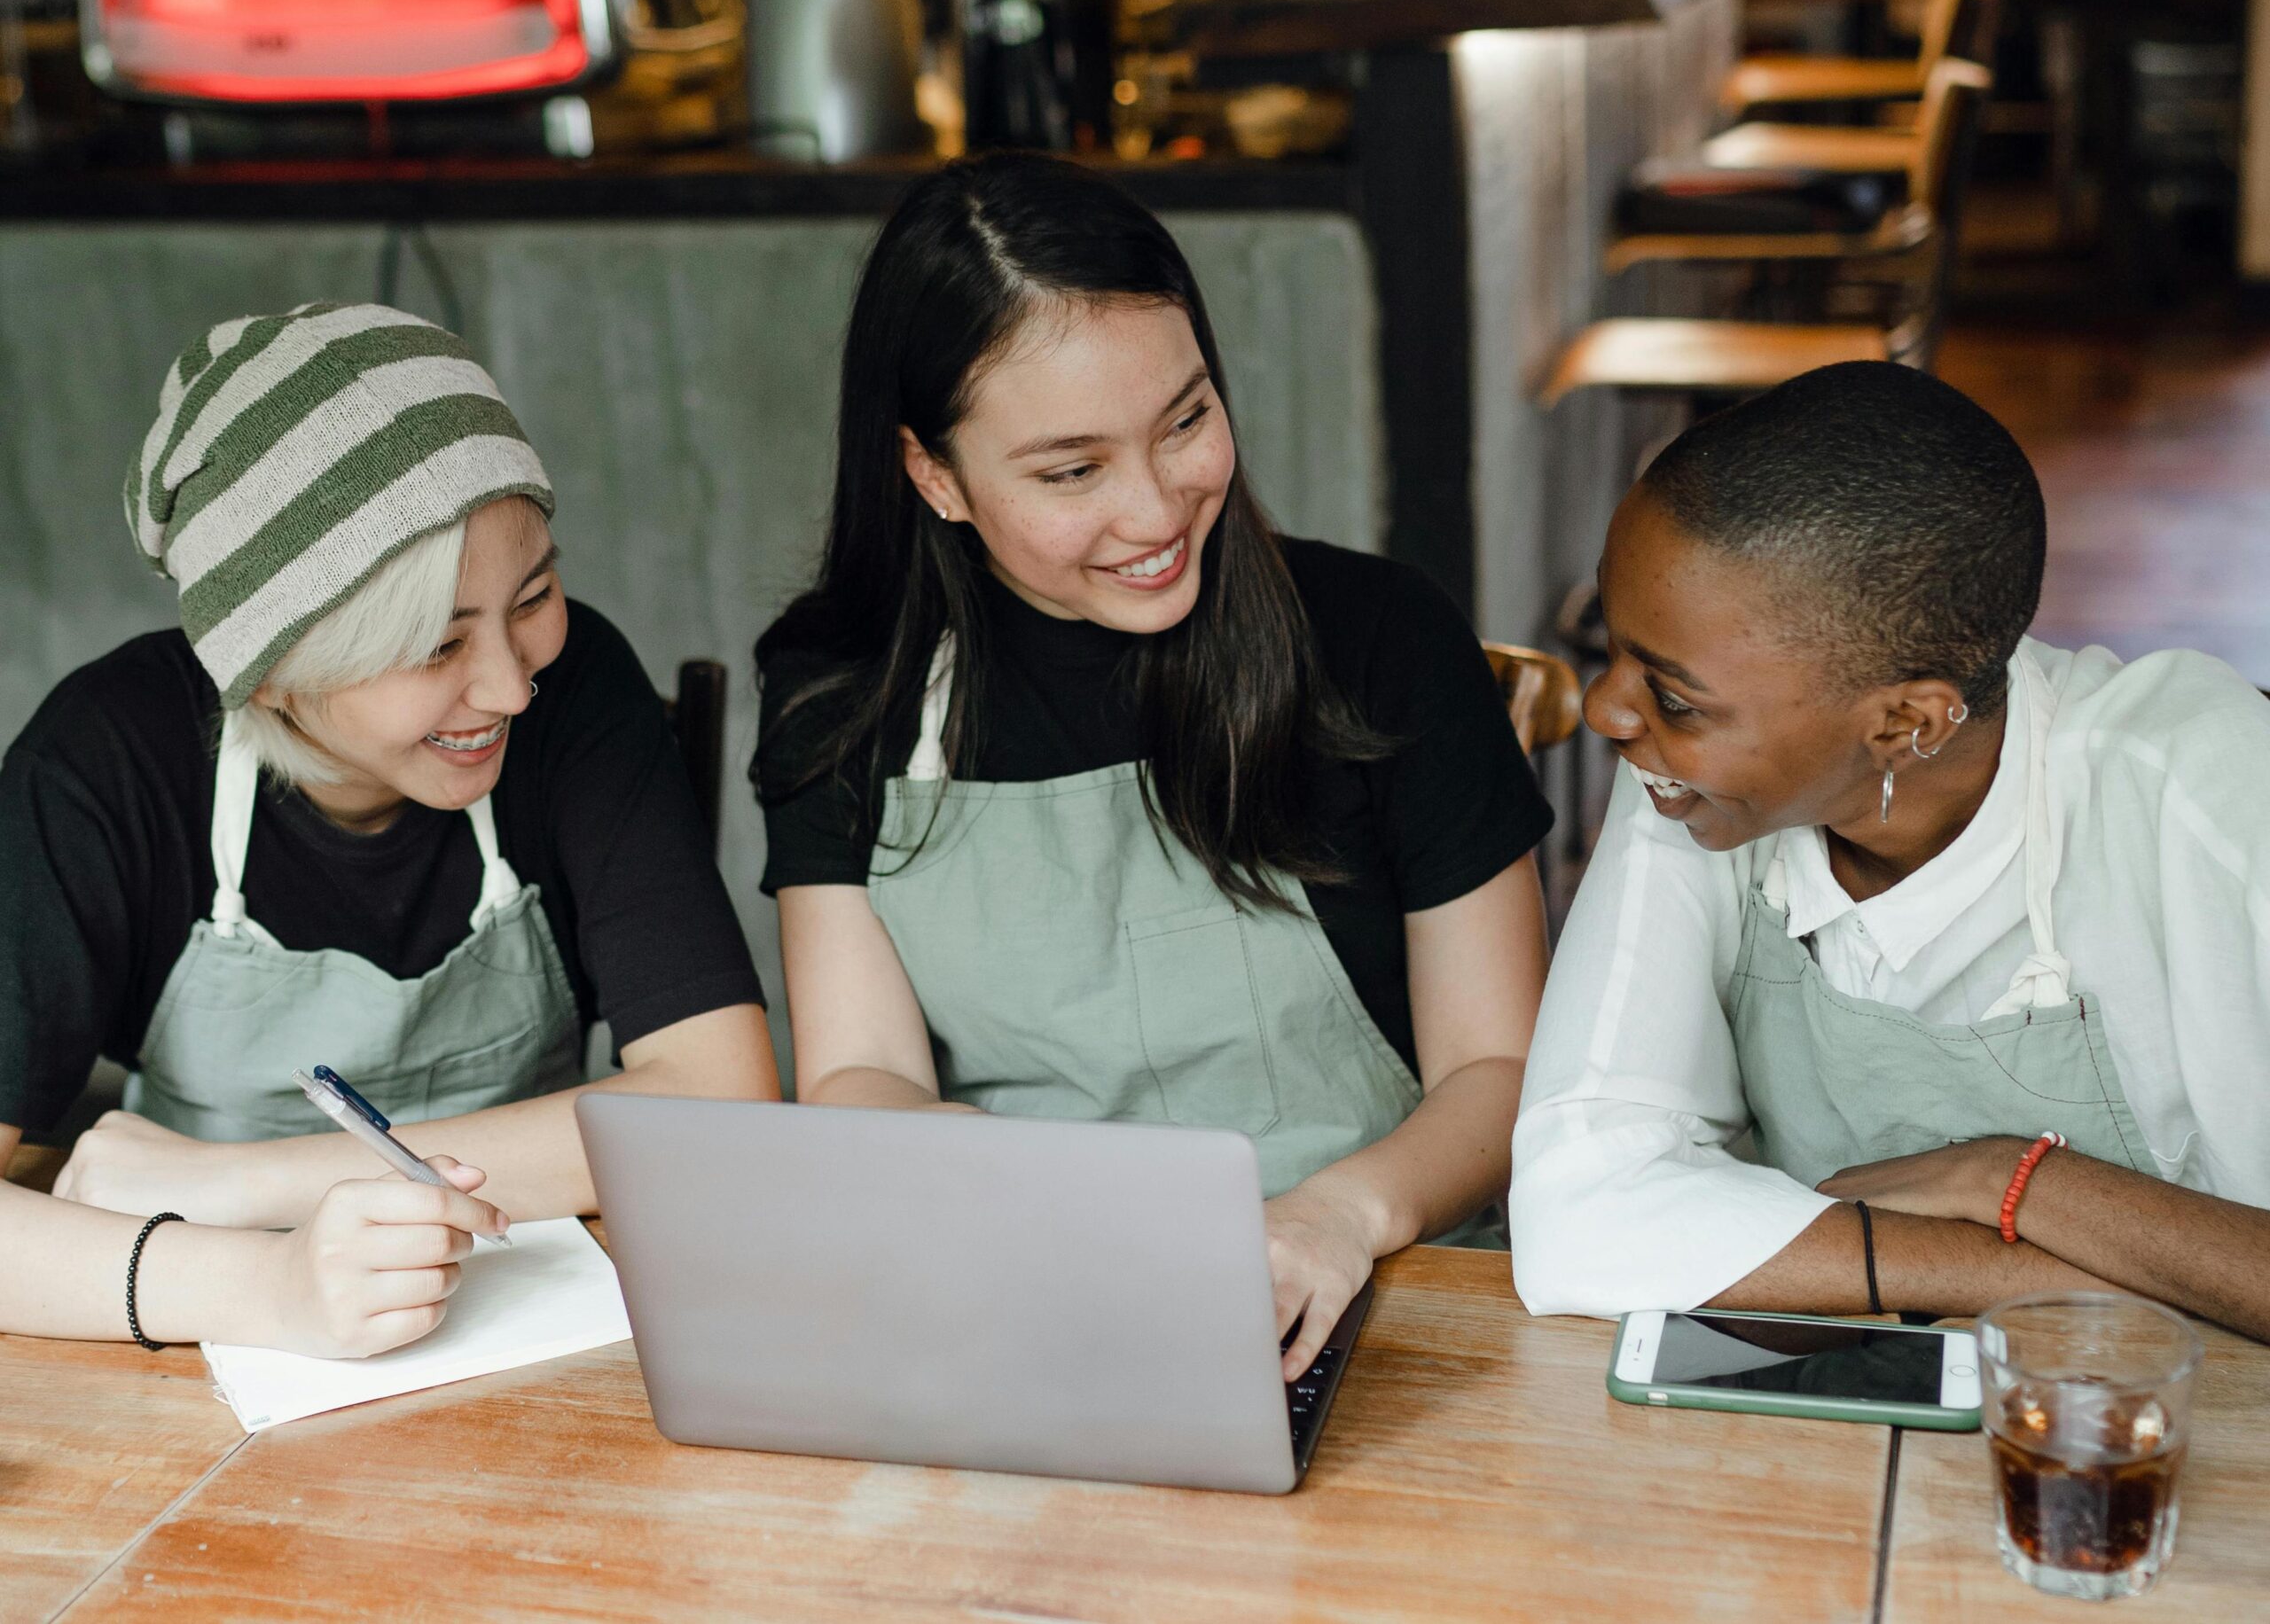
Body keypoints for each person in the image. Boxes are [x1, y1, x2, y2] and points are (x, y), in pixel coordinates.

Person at [755, 154, 1553, 1378]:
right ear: (933, 476)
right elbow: (861, 1073)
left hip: (1392, 1293)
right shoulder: (842, 690)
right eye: (1073, 471)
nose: (1156, 511)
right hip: (1015, 1296)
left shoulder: (1380, 642)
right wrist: (1035, 1209)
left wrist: (1338, 1218)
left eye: (1185, 420)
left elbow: (1501, 1073)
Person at [0, 302, 777, 1356]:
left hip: (537, 1328)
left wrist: (232, 1183)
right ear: (269, 672)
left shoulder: (578, 689)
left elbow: (720, 1107)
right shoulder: (106, 760)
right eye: (433, 646)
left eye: (534, 594)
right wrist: (267, 1287)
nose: (509, 685)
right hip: (204, 1356)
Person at [1510, 361, 2270, 1341]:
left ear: (1907, 723)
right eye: (1613, 651)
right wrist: (2061, 1275)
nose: (1606, 711)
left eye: (1672, 694)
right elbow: (1579, 1212)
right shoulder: (1691, 779)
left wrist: (2012, 1179)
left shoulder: (2202, 790)